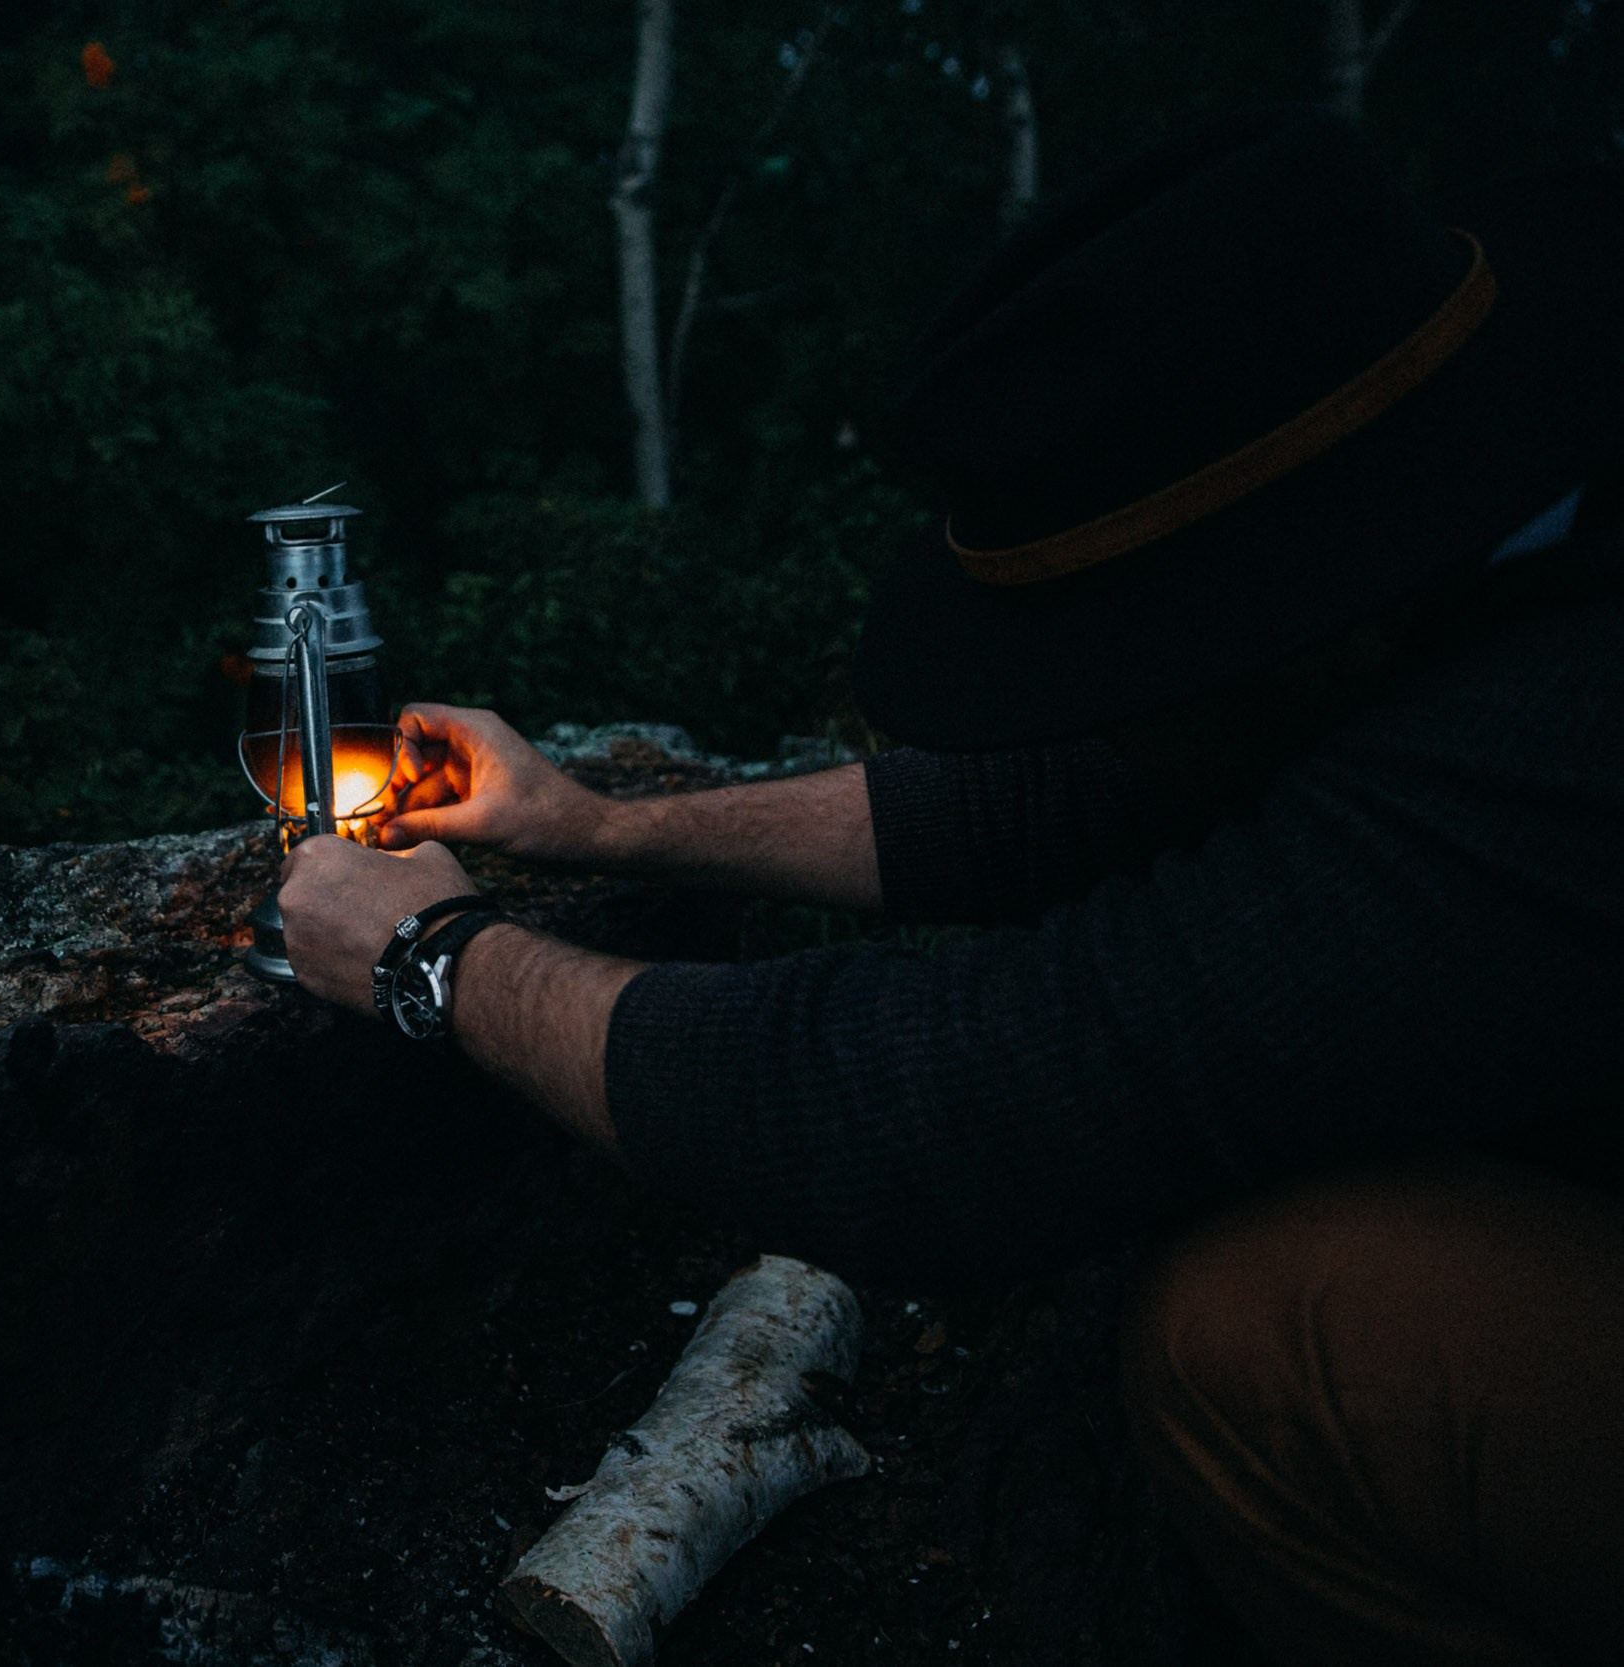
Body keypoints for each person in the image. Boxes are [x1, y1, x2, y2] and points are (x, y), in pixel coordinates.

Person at [273, 110, 1624, 1665]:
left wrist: (437, 958)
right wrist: (602, 825)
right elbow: (1099, 795)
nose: (1089, 713)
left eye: (1124, 662)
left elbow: (963, 1108)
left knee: (1272, 1336)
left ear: (1309, 594)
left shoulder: (1571, 726)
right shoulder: (1463, 554)